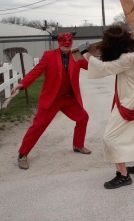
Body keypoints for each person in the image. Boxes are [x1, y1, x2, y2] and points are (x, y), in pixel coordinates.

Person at [75, 25, 134, 189]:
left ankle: (123, 176)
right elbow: (112, 62)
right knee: (133, 132)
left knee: (110, 137)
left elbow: (103, 68)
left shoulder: (127, 59)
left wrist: (85, 53)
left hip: (127, 103)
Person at [11, 32, 91, 170]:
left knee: (83, 117)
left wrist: (88, 54)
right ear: (59, 44)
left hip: (68, 99)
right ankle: (22, 154)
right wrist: (22, 84)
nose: (67, 47)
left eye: (69, 45)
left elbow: (91, 67)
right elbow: (36, 71)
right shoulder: (49, 55)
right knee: (38, 125)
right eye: (64, 45)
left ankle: (78, 145)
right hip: (52, 99)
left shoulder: (76, 55)